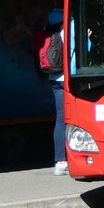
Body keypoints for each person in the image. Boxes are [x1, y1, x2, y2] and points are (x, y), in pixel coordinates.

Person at [44, 9, 68, 175]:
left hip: (53, 78)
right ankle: (69, 159)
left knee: (60, 120)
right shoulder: (67, 31)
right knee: (73, 119)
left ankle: (60, 161)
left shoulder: (48, 32)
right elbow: (84, 49)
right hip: (67, 79)